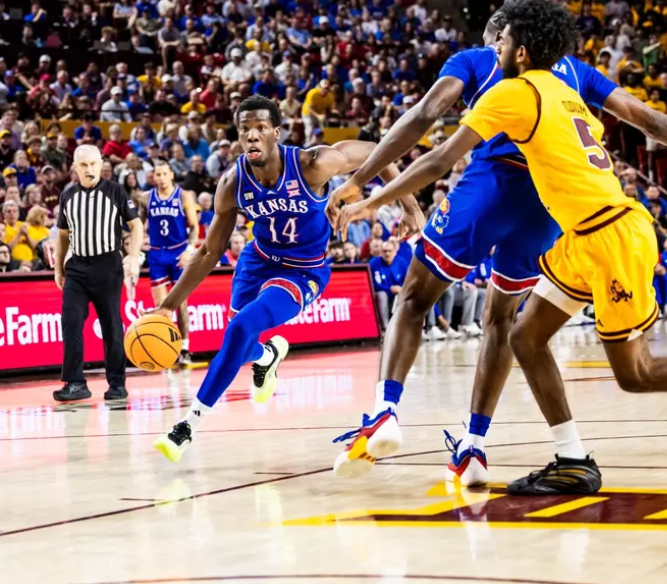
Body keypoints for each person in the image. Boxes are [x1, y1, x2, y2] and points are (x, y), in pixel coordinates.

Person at [335, 0, 667, 495]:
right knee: (517, 333)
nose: (495, 49)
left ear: (514, 44)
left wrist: (366, 191)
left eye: (500, 42)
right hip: (561, 224)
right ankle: (515, 452)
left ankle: (385, 412)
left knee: (417, 299)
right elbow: (653, 124)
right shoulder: (576, 78)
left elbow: (431, 136)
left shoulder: (498, 79)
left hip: (556, 212)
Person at [149, 95, 416, 463]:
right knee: (241, 339)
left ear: (276, 132)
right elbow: (210, 252)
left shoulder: (312, 163)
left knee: (242, 326)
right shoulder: (232, 183)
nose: (253, 136)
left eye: (260, 128)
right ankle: (268, 354)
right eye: (245, 130)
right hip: (257, 260)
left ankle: (187, 426)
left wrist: (409, 204)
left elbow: (377, 150)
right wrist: (167, 305)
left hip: (302, 270)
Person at [53, 145, 143, 402]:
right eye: (84, 165)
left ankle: (116, 383)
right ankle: (74, 382)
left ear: (101, 163)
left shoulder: (115, 190)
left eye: (94, 163)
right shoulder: (67, 196)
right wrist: (59, 268)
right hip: (77, 267)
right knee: (70, 321)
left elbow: (136, 225)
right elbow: (62, 235)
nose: (90, 169)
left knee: (111, 324)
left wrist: (134, 256)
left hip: (108, 265)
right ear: (75, 167)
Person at [145, 161, 199, 366]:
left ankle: (185, 348)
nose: (160, 178)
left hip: (179, 252)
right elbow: (138, 225)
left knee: (180, 303)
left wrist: (189, 250)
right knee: (161, 307)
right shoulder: (146, 198)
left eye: (164, 174)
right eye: (157, 174)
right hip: (157, 254)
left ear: (171, 175)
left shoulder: (183, 196)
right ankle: (167, 349)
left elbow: (194, 227)